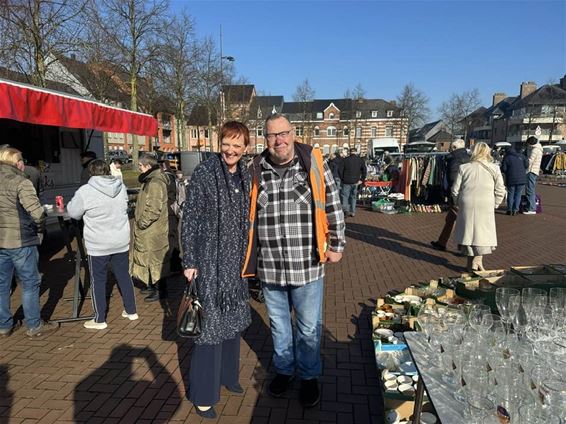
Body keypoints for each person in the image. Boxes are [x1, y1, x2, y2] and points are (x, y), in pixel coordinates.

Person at [242, 113, 346, 408]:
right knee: (278, 325)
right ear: (266, 139)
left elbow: (333, 202)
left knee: (309, 327)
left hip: (307, 263)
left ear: (293, 133)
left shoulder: (313, 160)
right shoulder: (256, 168)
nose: (280, 140)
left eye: (284, 133)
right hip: (271, 265)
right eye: (273, 136)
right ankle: (284, 370)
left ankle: (310, 377)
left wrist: (337, 243)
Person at [181, 122, 252, 419]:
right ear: (219, 143)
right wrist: (190, 261)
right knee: (209, 329)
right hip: (209, 261)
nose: (231, 150)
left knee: (232, 322)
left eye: (237, 145)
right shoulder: (205, 173)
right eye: (227, 144)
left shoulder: (247, 175)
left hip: (236, 263)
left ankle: (228, 376)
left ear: (246, 148)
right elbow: (190, 218)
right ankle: (203, 395)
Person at [67, 159, 138, 330]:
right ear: (108, 171)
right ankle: (131, 311)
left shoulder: (85, 191)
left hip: (98, 243)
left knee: (98, 280)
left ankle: (100, 319)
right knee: (124, 275)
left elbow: (74, 213)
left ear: (91, 173)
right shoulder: (121, 187)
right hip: (120, 239)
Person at [0, 148, 59, 338]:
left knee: (2, 285)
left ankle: (4, 324)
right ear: (17, 163)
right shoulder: (21, 182)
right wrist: (40, 228)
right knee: (30, 283)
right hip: (21, 239)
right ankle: (34, 324)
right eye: (21, 160)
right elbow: (37, 212)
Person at [452, 142, 506, 271]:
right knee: (482, 233)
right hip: (486, 203)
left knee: (468, 233)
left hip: (467, 203)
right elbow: (501, 189)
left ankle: (471, 263)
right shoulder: (494, 168)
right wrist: (495, 204)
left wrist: (458, 202)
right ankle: (478, 260)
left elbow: (455, 189)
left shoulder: (464, 168)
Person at [130, 152, 170, 302]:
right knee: (150, 259)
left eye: (140, 165)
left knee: (156, 260)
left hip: (153, 230)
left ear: (148, 166)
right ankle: (152, 286)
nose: (139, 168)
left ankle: (161, 290)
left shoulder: (155, 182)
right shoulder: (150, 180)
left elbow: (153, 209)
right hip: (150, 230)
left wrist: (141, 223)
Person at [430, 139, 470, 251]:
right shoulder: (468, 158)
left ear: (454, 148)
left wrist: (452, 194)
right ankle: (443, 242)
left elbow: (453, 179)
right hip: (465, 193)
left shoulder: (455, 159)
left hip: (458, 195)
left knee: (459, 220)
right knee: (452, 219)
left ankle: (463, 247)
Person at [501, 145, 528, 216]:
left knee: (511, 194)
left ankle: (509, 210)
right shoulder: (522, 156)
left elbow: (504, 169)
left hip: (511, 178)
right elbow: (526, 165)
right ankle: (515, 210)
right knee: (518, 194)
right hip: (522, 178)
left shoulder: (507, 157)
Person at [339, 147, 366, 217]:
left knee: (345, 197)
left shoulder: (345, 160)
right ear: (356, 152)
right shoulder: (360, 160)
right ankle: (352, 211)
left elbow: (340, 170)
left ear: (349, 152)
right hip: (356, 181)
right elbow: (364, 171)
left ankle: (345, 210)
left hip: (346, 181)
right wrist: (362, 179)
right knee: (353, 197)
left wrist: (342, 178)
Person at [524, 136, 543, 215]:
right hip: (534, 171)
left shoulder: (535, 150)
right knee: (530, 189)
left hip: (531, 171)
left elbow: (530, 161)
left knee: (530, 190)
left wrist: (524, 163)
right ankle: (530, 206)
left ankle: (531, 208)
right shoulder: (538, 149)